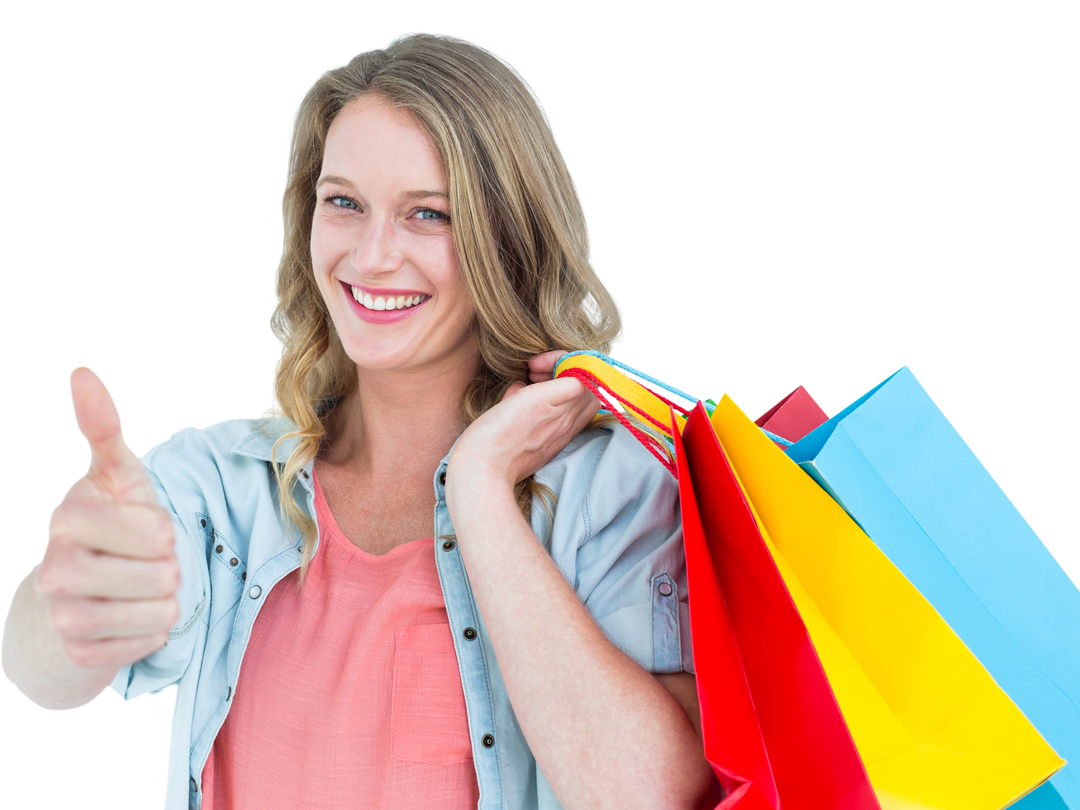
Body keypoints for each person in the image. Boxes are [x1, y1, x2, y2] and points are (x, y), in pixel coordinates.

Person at [1, 27, 716, 810]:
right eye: (344, 202)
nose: (372, 257)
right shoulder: (227, 481)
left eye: (428, 215)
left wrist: (479, 490)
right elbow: (39, 674)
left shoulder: (617, 491)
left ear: (507, 239)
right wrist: (71, 594)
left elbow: (654, 795)